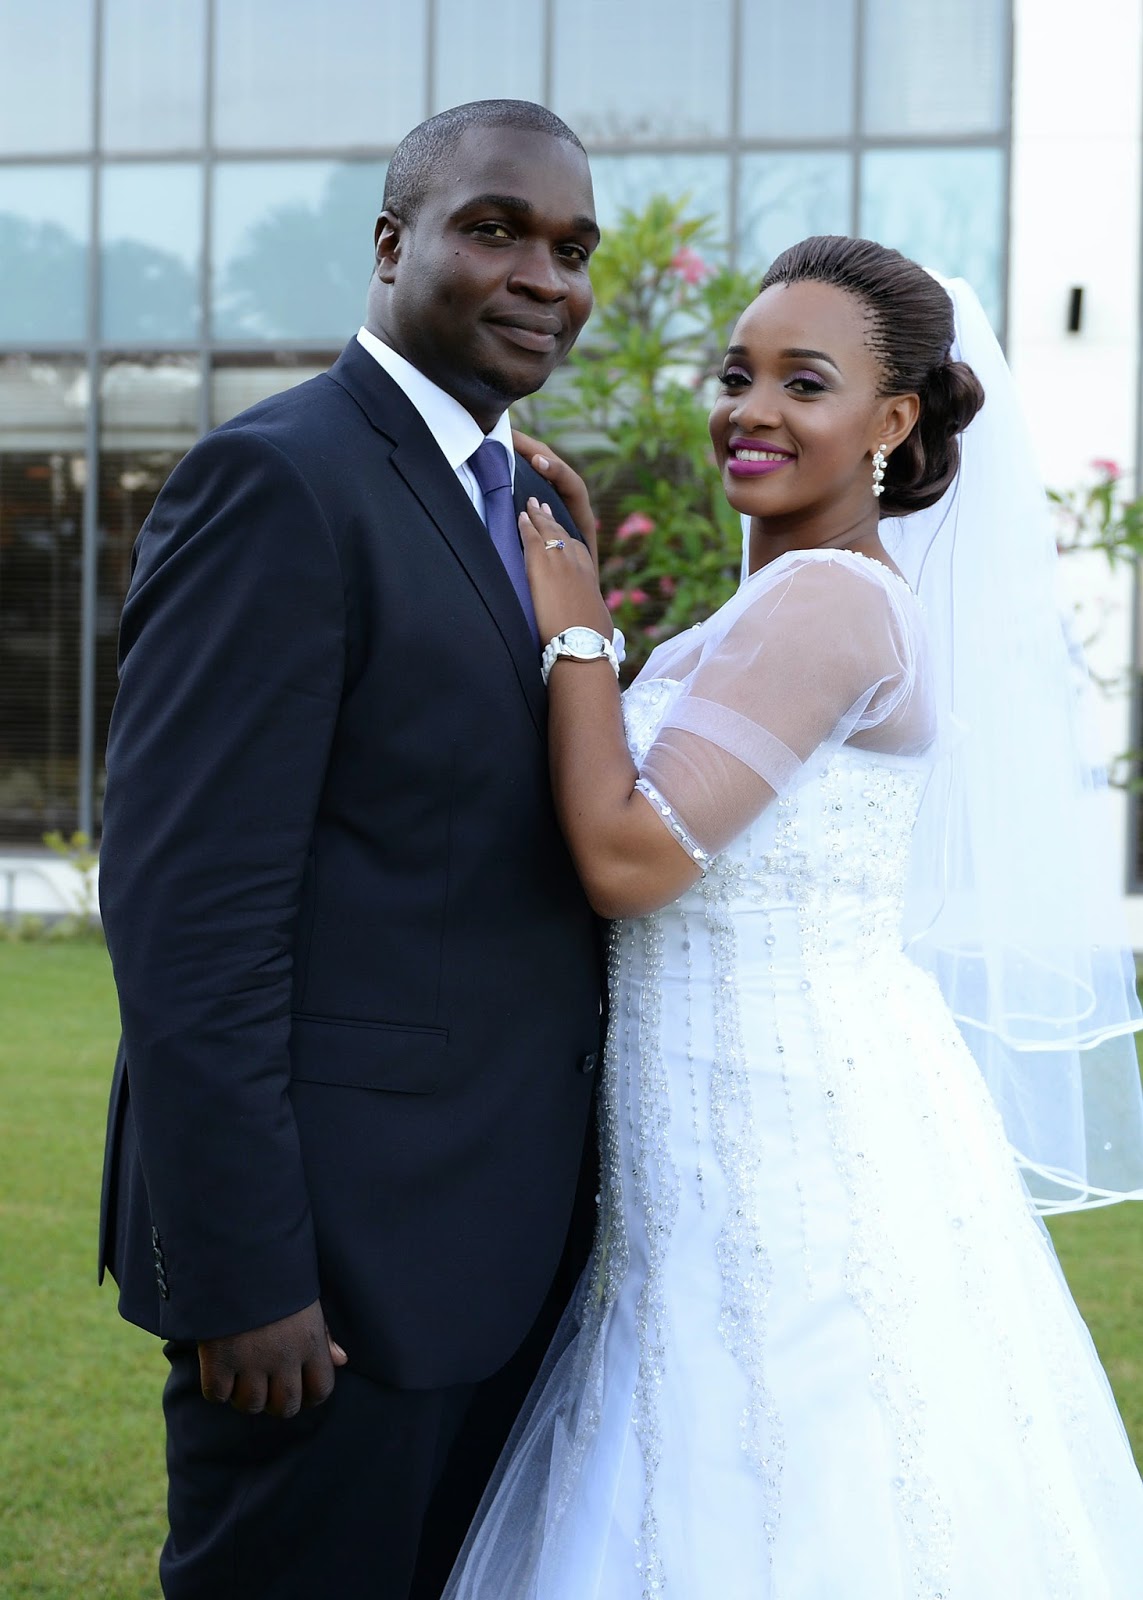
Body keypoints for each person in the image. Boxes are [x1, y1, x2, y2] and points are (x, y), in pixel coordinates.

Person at [443, 237, 1143, 1598]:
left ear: (894, 420)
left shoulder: (827, 603)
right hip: (719, 1112)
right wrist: (589, 608)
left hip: (791, 1128)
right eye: (737, 374)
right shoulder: (776, 604)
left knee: (805, 1458)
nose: (751, 410)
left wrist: (576, 629)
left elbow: (631, 857)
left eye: (804, 383)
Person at [97, 100, 609, 1600]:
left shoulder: (527, 502)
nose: (545, 277)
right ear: (393, 245)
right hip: (331, 1278)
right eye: (496, 230)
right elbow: (190, 914)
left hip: (510, 1247)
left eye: (573, 249)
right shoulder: (277, 481)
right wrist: (243, 1273)